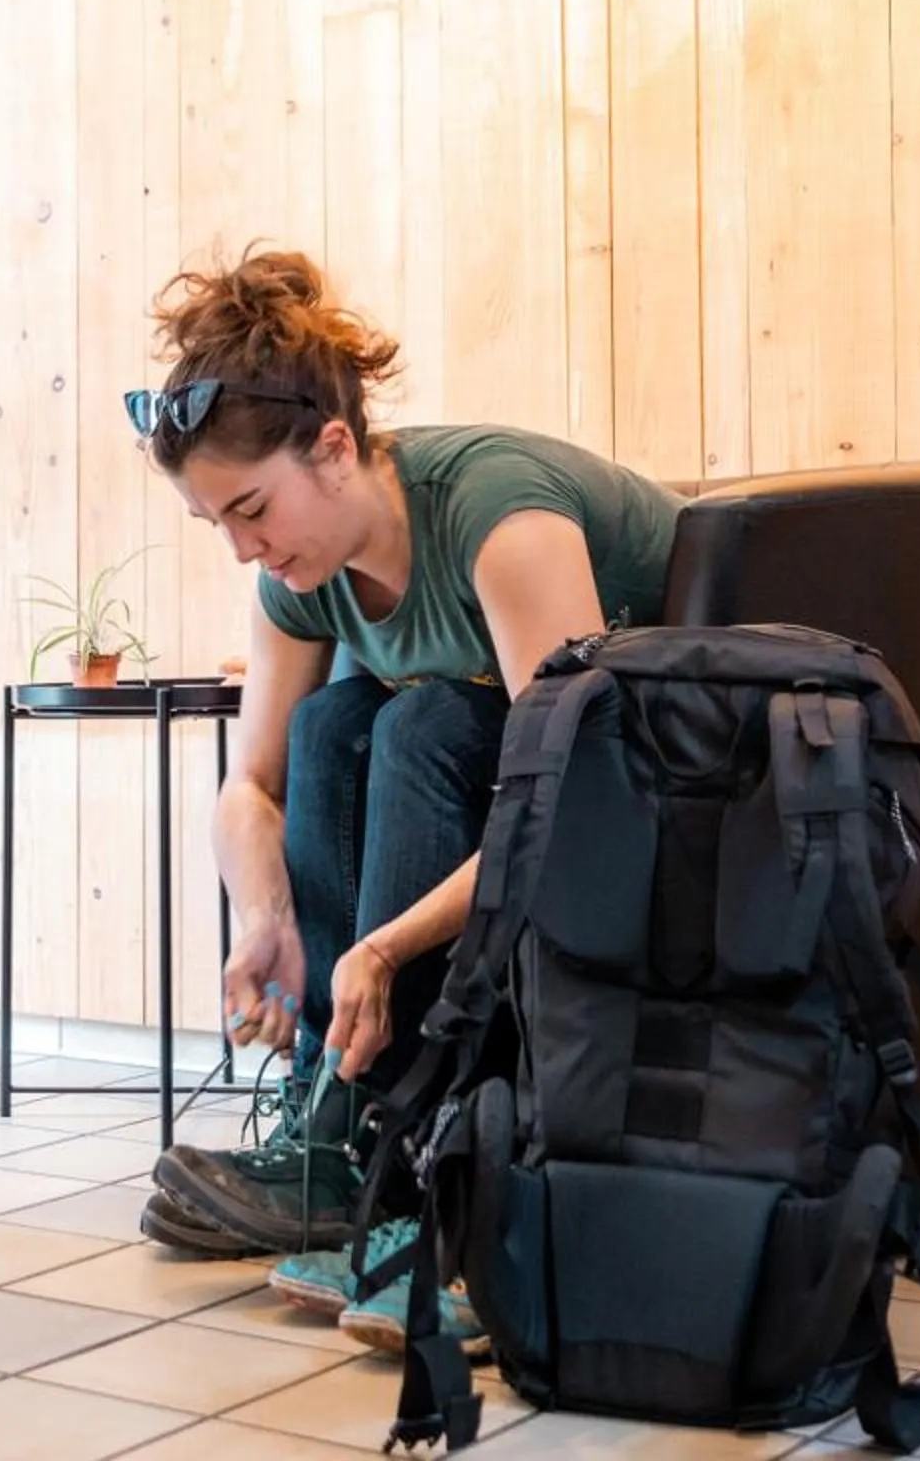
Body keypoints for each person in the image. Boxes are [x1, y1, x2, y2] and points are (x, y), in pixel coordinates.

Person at [128, 248, 688, 1351]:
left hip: (673, 778)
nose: (244, 546)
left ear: (333, 447)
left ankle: (423, 1165)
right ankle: (346, 1137)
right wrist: (269, 919)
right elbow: (254, 781)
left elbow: (565, 789)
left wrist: (380, 948)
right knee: (338, 722)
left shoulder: (496, 513)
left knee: (422, 718)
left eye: (252, 508)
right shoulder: (302, 574)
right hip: (526, 789)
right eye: (218, 525)